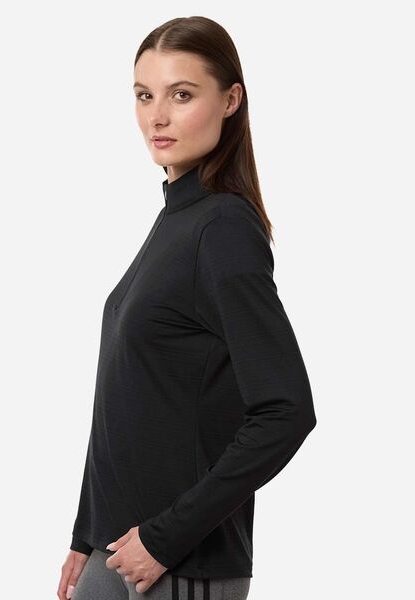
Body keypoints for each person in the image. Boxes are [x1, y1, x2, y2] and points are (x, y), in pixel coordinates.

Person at [57, 15, 317, 600]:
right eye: (144, 95)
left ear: (230, 100)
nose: (157, 116)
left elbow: (286, 410)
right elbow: (127, 398)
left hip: (177, 563)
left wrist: (165, 538)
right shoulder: (177, 218)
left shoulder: (222, 227)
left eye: (181, 95)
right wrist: (84, 532)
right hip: (116, 546)